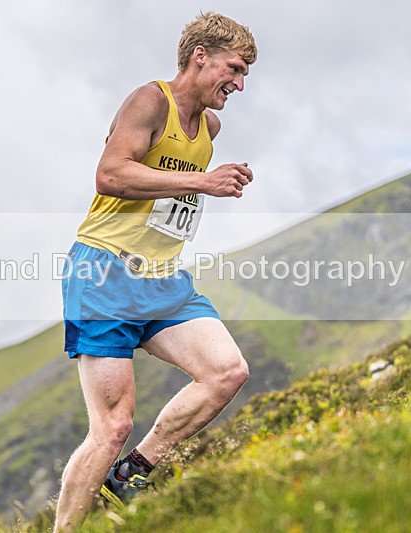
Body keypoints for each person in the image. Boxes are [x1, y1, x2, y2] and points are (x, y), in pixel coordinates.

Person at [53, 11, 257, 531]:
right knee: (111, 428)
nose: (238, 84)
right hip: (105, 273)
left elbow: (174, 191)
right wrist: (205, 182)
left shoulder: (209, 127)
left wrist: (214, 180)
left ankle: (132, 473)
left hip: (163, 280)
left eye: (244, 75)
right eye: (234, 69)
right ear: (200, 57)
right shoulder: (150, 101)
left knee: (227, 371)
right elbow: (110, 174)